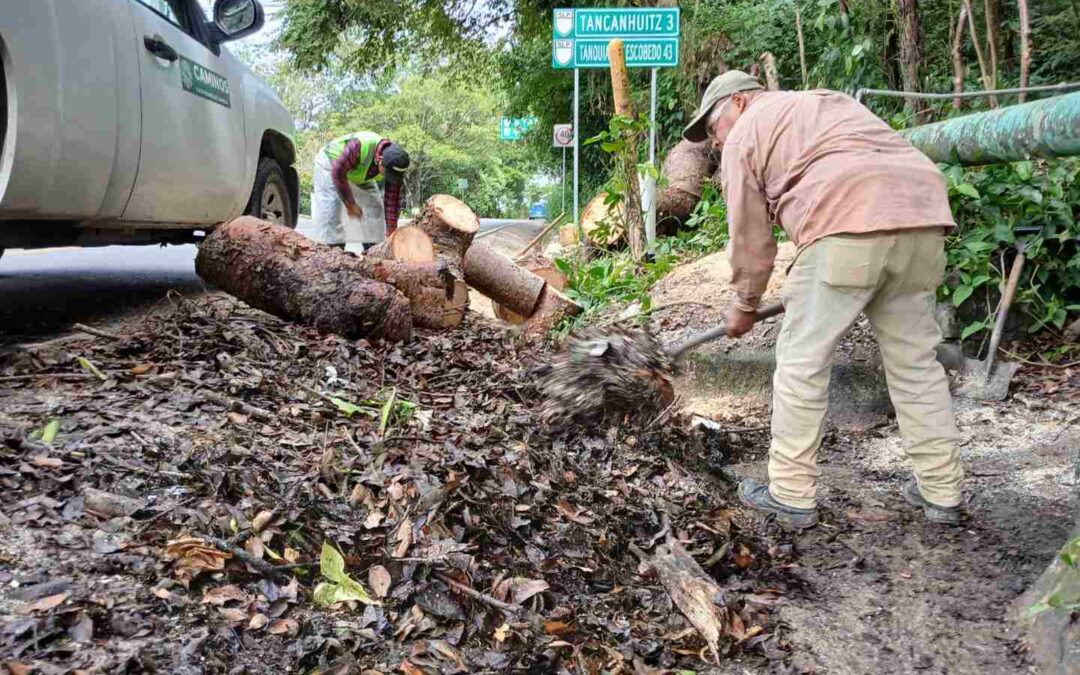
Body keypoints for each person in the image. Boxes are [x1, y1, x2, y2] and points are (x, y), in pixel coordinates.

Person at [683, 71, 964, 528]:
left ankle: (791, 495)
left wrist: (744, 302)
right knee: (916, 362)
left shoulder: (746, 132)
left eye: (714, 129)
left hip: (844, 223)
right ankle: (943, 491)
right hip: (923, 220)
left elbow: (751, 235)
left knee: (801, 362)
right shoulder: (826, 100)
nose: (716, 143)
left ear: (738, 102)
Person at [312, 132, 410, 252]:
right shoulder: (359, 146)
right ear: (380, 160)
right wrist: (350, 204)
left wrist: (391, 232)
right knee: (332, 211)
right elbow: (338, 173)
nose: (390, 178)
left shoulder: (395, 165)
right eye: (388, 174)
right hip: (331, 165)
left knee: (375, 208)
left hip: (359, 173)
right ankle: (329, 252)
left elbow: (392, 204)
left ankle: (374, 251)